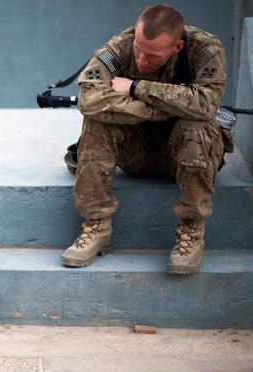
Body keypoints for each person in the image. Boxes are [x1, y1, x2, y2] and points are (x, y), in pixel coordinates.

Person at [61, 4, 231, 274]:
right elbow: (89, 99)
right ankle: (97, 225)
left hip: (185, 153)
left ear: (176, 47)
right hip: (138, 151)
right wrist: (157, 110)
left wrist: (136, 86)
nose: (140, 61)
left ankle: (191, 230)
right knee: (96, 122)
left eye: (151, 56)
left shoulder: (204, 49)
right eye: (139, 50)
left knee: (196, 125)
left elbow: (206, 104)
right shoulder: (122, 46)